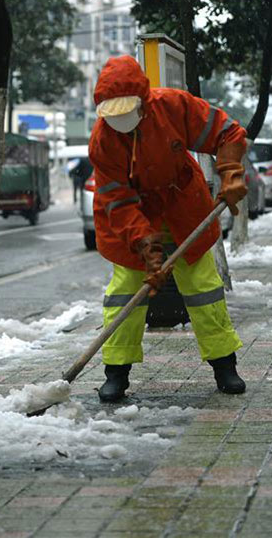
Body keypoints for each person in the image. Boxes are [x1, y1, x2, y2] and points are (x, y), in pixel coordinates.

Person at [89, 55, 248, 402]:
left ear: (144, 102)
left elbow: (227, 132)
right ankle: (116, 371)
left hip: (181, 206)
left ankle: (225, 364)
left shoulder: (173, 107)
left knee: (202, 285)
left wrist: (231, 171)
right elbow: (116, 199)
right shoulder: (103, 141)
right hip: (133, 215)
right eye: (112, 115)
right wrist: (144, 245)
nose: (120, 121)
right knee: (126, 289)